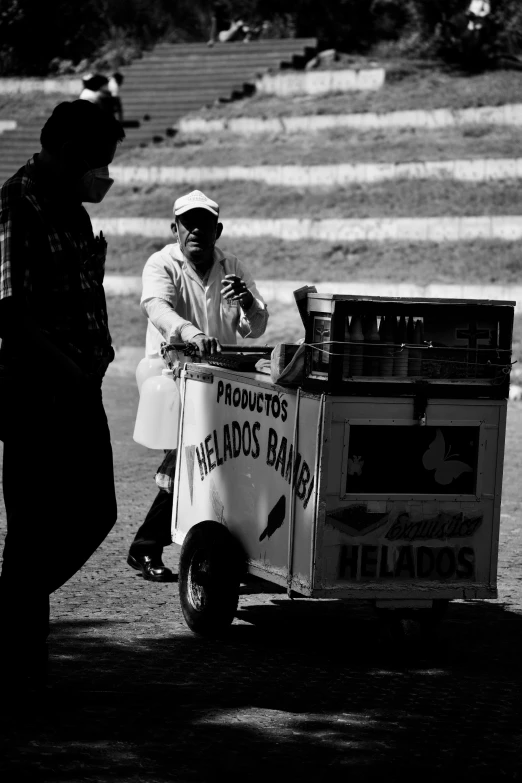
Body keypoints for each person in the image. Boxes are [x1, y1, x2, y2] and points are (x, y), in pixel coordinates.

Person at [0, 100, 124, 686]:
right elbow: (9, 313)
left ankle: (12, 621)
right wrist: (67, 373)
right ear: (70, 152)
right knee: (32, 527)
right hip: (34, 394)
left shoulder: (72, 210)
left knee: (96, 511)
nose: (104, 175)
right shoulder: (13, 204)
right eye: (99, 162)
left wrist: (88, 372)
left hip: (83, 388)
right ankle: (22, 663)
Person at [128, 189, 268, 581]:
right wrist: (190, 333)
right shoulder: (162, 263)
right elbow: (157, 307)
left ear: (217, 230)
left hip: (219, 376)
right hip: (170, 371)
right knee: (193, 455)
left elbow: (256, 325)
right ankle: (147, 547)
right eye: (188, 224)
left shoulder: (232, 266)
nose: (195, 231)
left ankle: (154, 546)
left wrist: (249, 305)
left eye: (204, 224)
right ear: (175, 229)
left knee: (221, 458)